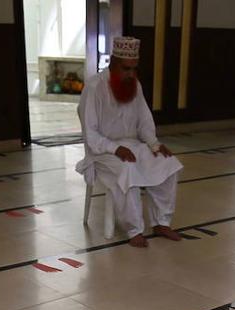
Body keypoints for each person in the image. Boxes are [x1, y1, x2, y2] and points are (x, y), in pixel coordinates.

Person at [77, 37, 182, 248]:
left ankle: (161, 222)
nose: (131, 74)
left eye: (134, 69)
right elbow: (91, 134)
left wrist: (153, 144)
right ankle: (134, 230)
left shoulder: (135, 85)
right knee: (129, 169)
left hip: (131, 145)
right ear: (113, 62)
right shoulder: (95, 87)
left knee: (168, 164)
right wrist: (115, 148)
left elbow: (144, 120)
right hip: (102, 151)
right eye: (126, 69)